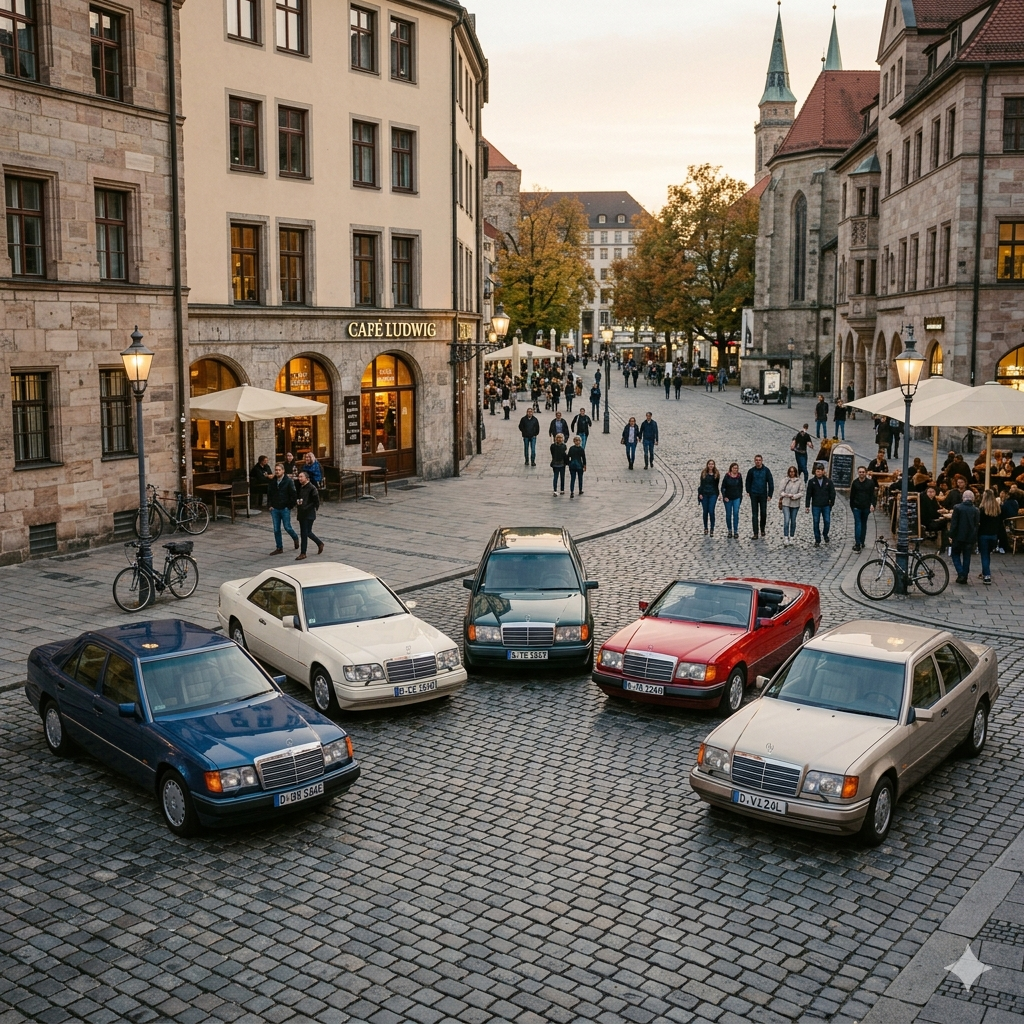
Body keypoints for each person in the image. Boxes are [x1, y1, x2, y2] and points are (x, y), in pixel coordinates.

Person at [267, 463, 299, 554]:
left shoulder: (288, 481)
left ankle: (295, 537)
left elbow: (293, 495)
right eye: (276, 470)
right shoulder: (273, 482)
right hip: (275, 508)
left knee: (287, 527)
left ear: (283, 471)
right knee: (276, 529)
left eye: (279, 470)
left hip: (285, 508)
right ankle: (279, 547)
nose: (277, 471)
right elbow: (269, 493)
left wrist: (289, 506)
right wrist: (269, 505)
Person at [949, 489, 980, 584]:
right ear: (973, 499)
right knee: (967, 556)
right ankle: (964, 574)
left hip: (958, 536)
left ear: (963, 498)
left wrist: (951, 535)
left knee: (955, 554)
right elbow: (976, 524)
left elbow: (954, 524)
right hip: (970, 537)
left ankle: (961, 573)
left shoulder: (957, 508)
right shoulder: (976, 510)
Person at [294, 470, 324, 560]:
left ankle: (303, 553)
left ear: (306, 478)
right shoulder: (300, 486)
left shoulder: (312, 488)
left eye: (301, 477)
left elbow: (316, 502)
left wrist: (306, 506)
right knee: (308, 532)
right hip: (302, 512)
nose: (299, 479)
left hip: (308, 513)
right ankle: (319, 543)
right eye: (299, 477)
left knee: (304, 533)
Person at [805, 463, 836, 546]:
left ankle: (825, 534)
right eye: (817, 471)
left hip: (826, 505)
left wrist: (831, 503)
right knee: (816, 522)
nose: (818, 473)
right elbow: (808, 494)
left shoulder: (828, 481)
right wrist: (807, 506)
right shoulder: (812, 482)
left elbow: (832, 493)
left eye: (820, 471)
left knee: (827, 521)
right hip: (816, 505)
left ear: (823, 471)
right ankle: (817, 539)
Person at [849, 466, 877, 552]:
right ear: (858, 473)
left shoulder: (870, 483)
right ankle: (858, 543)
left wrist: (873, 505)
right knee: (858, 524)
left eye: (863, 472)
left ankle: (862, 541)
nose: (861, 473)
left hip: (866, 507)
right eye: (860, 472)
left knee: (863, 524)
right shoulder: (855, 483)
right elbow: (852, 496)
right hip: (857, 507)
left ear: (866, 473)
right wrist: (852, 507)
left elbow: (873, 495)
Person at [745, 455, 774, 539]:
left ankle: (762, 529)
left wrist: (770, 494)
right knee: (754, 514)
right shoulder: (751, 471)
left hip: (763, 494)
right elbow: (748, 481)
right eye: (756, 460)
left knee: (763, 513)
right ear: (754, 461)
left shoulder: (766, 471)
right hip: (754, 494)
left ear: (762, 461)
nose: (758, 461)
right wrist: (748, 491)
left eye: (759, 460)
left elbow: (770, 482)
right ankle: (755, 533)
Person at [977, 489, 1001, 585]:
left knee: (984, 555)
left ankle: (987, 575)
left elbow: (979, 522)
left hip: (983, 534)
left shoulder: (982, 509)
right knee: (988, 555)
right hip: (994, 535)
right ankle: (984, 572)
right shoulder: (997, 509)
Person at [778, 466, 804, 545]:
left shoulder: (799, 481)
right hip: (786, 502)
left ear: (795, 472)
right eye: (790, 472)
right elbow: (780, 491)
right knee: (786, 520)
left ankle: (792, 537)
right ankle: (786, 537)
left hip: (795, 504)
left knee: (793, 520)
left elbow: (802, 492)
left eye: (793, 472)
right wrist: (786, 494)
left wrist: (795, 496)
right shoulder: (785, 480)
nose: (791, 473)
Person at [697, 460, 720, 536]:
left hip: (713, 494)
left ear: (714, 465)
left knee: (711, 511)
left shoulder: (716, 474)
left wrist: (718, 494)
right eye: (709, 464)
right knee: (705, 511)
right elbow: (701, 484)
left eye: (712, 464)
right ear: (707, 465)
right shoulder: (704, 473)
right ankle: (705, 527)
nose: (711, 465)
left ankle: (712, 528)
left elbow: (716, 486)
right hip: (704, 494)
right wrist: (700, 493)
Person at [721, 463, 743, 538]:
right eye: (734, 468)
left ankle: (736, 530)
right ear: (731, 468)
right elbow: (723, 487)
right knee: (728, 514)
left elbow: (741, 487)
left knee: (736, 513)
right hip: (728, 498)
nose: (735, 469)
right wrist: (724, 496)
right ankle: (729, 530)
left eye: (736, 468)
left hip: (736, 497)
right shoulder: (727, 476)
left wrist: (740, 497)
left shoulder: (739, 476)